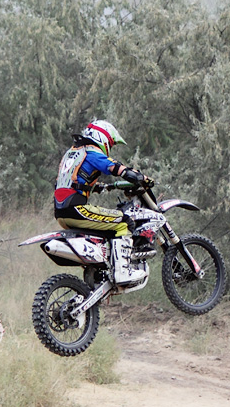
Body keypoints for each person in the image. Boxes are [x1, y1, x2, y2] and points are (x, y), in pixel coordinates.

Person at [53, 119, 154, 284]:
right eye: (111, 144)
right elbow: (114, 167)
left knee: (105, 231)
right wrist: (139, 176)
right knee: (125, 222)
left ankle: (97, 275)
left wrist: (100, 186)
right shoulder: (92, 152)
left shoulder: (72, 152)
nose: (110, 148)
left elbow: (74, 181)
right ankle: (122, 272)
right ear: (103, 138)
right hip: (76, 209)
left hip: (61, 212)